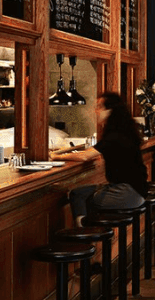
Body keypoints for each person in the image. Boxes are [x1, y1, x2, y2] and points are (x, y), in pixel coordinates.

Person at [51, 92, 148, 226]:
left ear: (110, 111)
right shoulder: (125, 130)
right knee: (79, 193)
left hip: (127, 193)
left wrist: (56, 156)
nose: (96, 111)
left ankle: (84, 236)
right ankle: (88, 234)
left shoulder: (115, 135)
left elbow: (85, 155)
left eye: (99, 107)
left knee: (80, 197)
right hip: (138, 190)